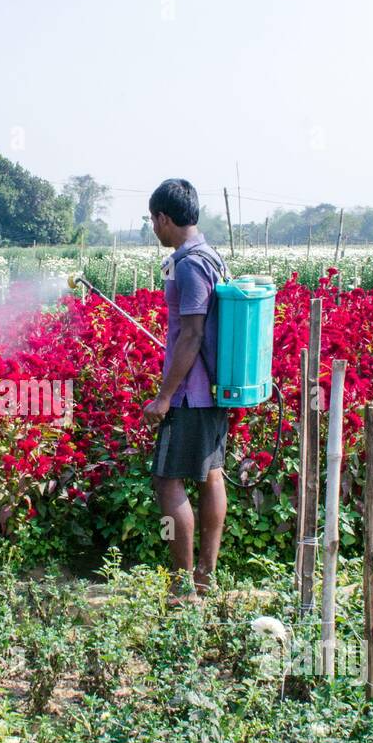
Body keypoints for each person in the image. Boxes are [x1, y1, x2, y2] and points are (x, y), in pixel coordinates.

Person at [142, 178, 229, 601]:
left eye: (152, 220)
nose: (153, 228)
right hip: (212, 390)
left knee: (167, 482)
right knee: (211, 475)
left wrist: (163, 396)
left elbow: (192, 335)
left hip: (191, 394)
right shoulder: (211, 256)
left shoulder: (190, 263)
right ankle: (205, 579)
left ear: (163, 218)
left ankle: (183, 586)